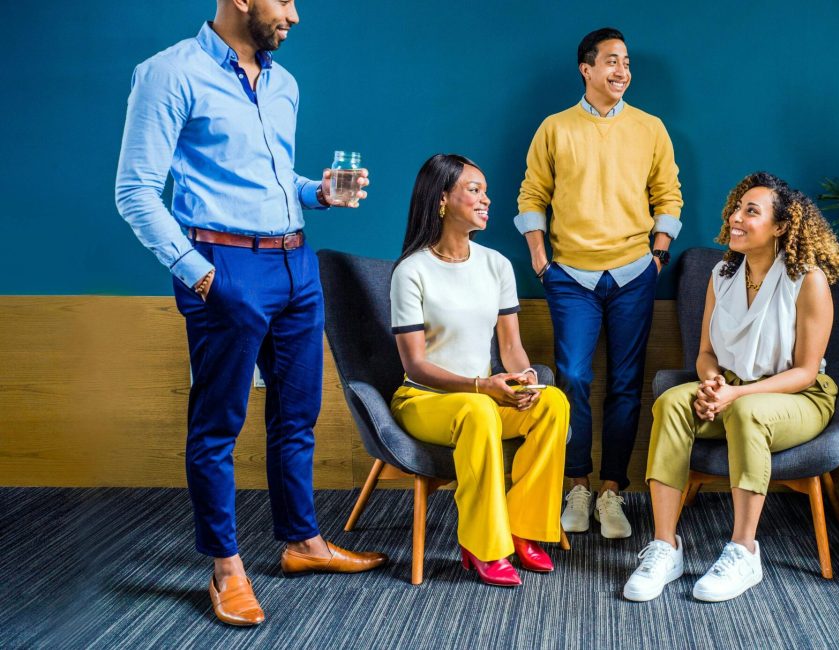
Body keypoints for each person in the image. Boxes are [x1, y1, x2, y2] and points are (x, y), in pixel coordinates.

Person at [114, 0, 385, 627]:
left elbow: (270, 177)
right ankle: (226, 568)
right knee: (218, 426)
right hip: (224, 266)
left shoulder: (283, 82)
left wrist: (318, 192)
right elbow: (134, 190)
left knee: (297, 414)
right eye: (283, 0)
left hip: (297, 264)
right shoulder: (168, 73)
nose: (294, 14)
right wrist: (200, 272)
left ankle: (302, 542)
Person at [623, 172, 839, 603]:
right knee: (671, 402)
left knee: (747, 412)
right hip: (730, 389)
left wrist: (735, 395)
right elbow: (706, 352)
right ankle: (665, 547)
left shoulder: (808, 279)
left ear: (781, 227)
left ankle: (744, 552)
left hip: (797, 397)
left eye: (751, 211)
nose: (735, 218)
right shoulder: (721, 274)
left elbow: (805, 371)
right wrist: (711, 383)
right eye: (736, 208)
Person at [516, 27, 684, 539]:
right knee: (572, 378)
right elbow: (532, 194)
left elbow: (668, 194)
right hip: (570, 276)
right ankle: (577, 485)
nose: (622, 71)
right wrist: (541, 260)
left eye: (626, 62)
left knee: (626, 385)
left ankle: (612, 491)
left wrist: (658, 255)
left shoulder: (651, 128)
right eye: (612, 61)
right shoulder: (554, 128)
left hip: (635, 273)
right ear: (586, 69)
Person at [390, 154, 571, 588]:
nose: (486, 199)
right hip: (424, 400)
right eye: (474, 190)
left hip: (483, 397)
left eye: (485, 191)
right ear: (442, 199)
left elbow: (510, 347)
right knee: (478, 411)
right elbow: (415, 364)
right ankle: (483, 544)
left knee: (552, 402)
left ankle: (523, 528)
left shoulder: (496, 265)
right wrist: (480, 387)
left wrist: (526, 378)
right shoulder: (411, 271)